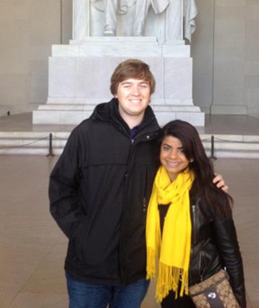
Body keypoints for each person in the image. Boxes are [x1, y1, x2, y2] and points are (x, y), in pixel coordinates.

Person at [49, 59, 227, 308]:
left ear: (150, 93)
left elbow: (179, 175)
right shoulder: (86, 133)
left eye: (143, 85)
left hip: (136, 266)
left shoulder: (158, 140)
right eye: (127, 85)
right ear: (115, 91)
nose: (135, 92)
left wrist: (209, 182)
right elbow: (60, 188)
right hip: (88, 264)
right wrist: (82, 232)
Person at [146, 120, 246, 307]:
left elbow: (231, 252)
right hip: (171, 285)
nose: (173, 156)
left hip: (205, 286)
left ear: (192, 155)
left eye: (182, 150)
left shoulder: (210, 192)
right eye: (167, 148)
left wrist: (238, 300)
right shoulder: (152, 189)